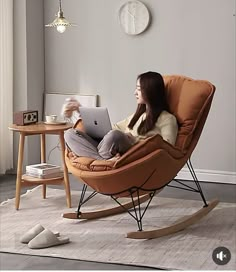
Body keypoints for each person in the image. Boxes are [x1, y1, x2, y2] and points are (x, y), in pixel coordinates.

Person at [64, 71, 178, 160]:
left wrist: (135, 140)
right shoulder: (138, 115)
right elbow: (112, 129)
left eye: (138, 89)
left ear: (150, 91)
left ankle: (92, 157)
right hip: (107, 150)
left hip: (132, 154)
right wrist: (83, 114)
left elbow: (168, 148)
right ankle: (102, 161)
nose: (135, 93)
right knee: (69, 134)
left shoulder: (168, 119)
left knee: (115, 135)